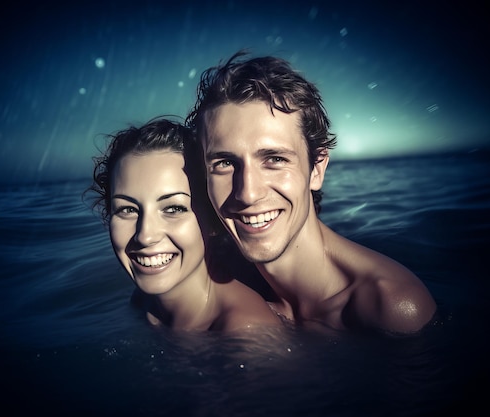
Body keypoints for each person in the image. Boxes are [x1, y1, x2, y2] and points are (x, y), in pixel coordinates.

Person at [185, 51, 437, 335]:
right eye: (225, 163)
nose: (248, 194)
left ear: (316, 169)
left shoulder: (391, 309)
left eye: (275, 159)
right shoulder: (219, 274)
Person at [87, 117, 282, 332]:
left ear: (213, 220)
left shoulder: (247, 331)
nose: (145, 235)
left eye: (173, 209)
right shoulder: (142, 303)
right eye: (128, 210)